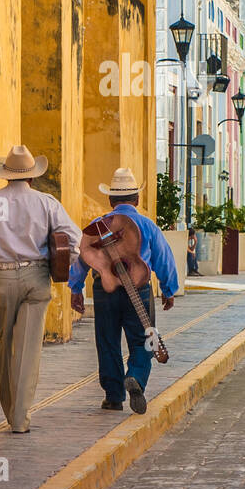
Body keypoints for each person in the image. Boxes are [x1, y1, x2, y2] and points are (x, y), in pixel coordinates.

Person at [0, 144, 81, 434]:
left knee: (6, 344)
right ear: (31, 176)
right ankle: (19, 417)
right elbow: (74, 242)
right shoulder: (46, 202)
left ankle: (9, 407)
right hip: (36, 277)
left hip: (1, 279)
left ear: (6, 176)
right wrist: (58, 264)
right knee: (27, 349)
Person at [69, 168, 179, 415]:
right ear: (137, 200)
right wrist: (169, 289)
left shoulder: (99, 227)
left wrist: (75, 288)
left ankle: (113, 396)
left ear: (110, 201)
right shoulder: (146, 225)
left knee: (107, 341)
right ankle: (137, 377)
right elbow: (164, 258)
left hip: (104, 289)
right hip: (138, 289)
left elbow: (83, 258)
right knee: (144, 339)